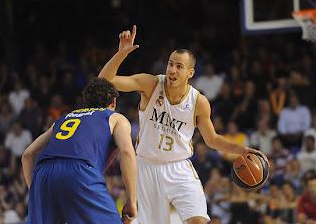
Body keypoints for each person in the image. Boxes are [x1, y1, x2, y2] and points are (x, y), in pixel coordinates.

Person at [98, 25, 268, 224]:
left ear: (190, 72)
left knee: (198, 221)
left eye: (179, 66)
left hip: (179, 169)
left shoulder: (199, 102)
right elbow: (104, 80)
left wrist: (242, 150)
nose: (172, 70)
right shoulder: (151, 84)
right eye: (170, 64)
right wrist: (121, 54)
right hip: (147, 168)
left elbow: (212, 140)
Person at [21, 78, 137, 224]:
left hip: (43, 174)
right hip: (79, 171)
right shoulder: (115, 118)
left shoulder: (64, 118)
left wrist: (37, 192)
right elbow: (127, 152)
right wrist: (132, 201)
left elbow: (28, 154)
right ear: (113, 102)